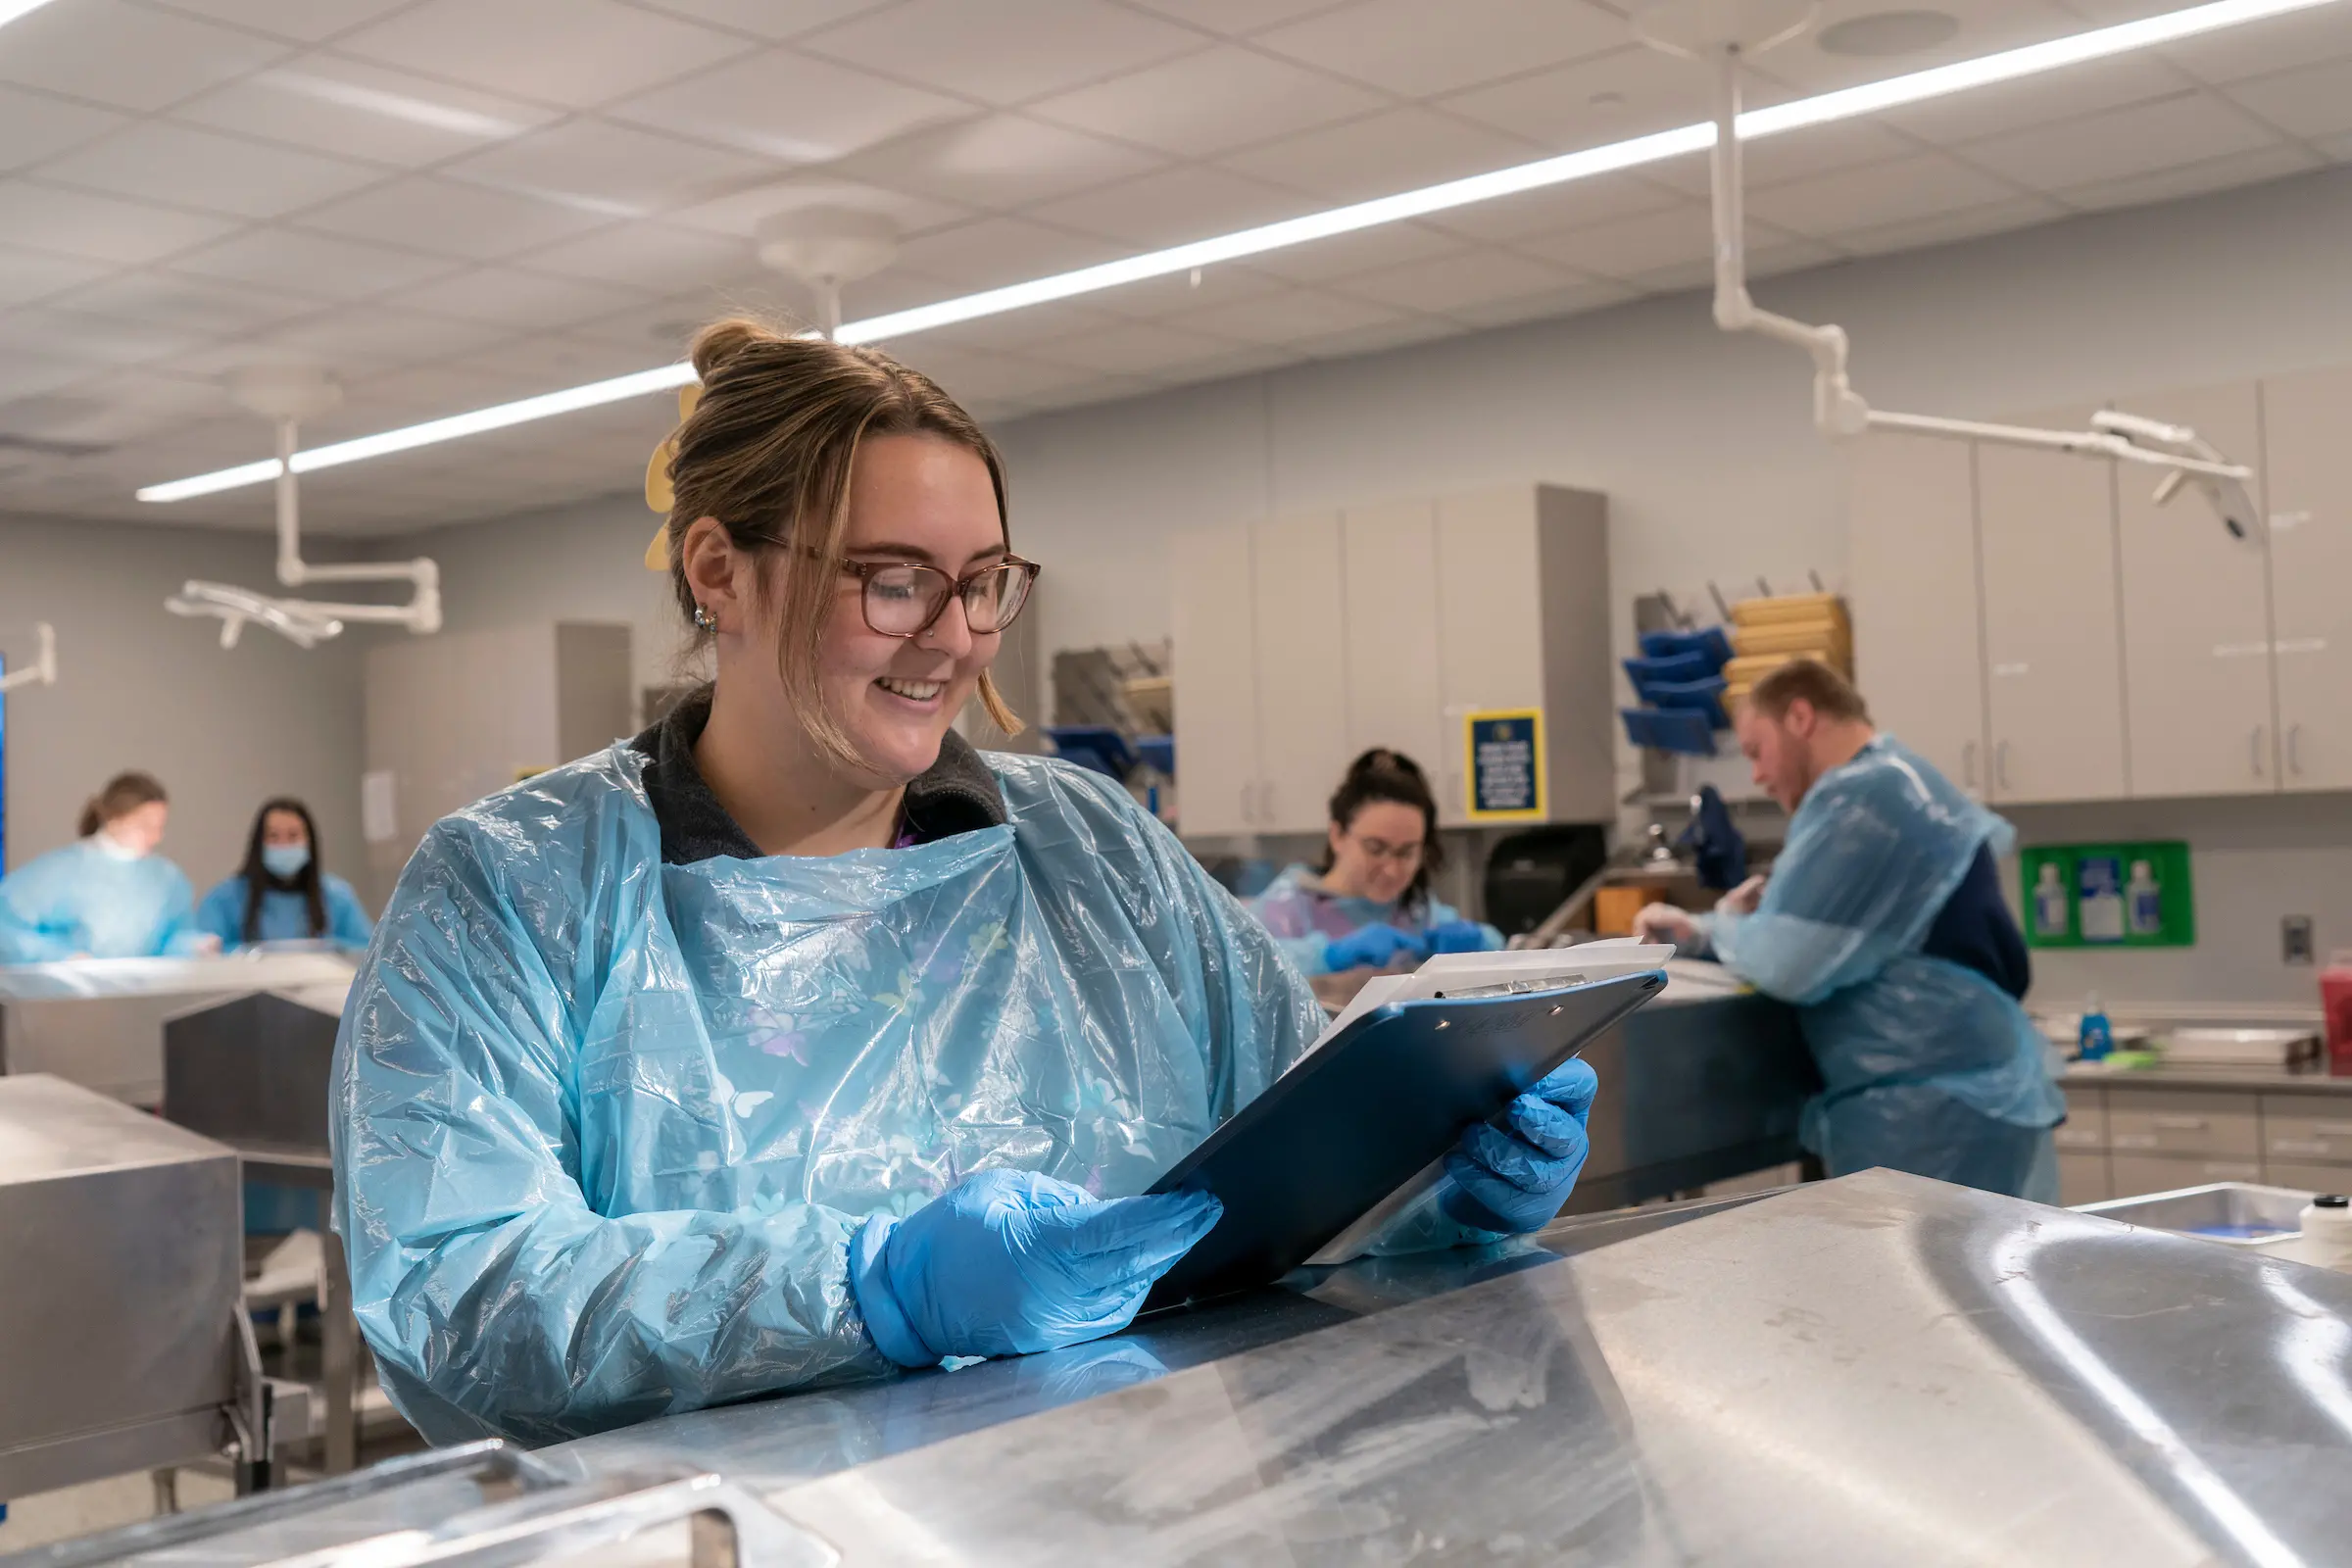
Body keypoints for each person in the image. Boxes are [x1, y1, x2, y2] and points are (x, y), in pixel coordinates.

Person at [333, 318, 1600, 1446]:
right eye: (893, 582)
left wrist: (1439, 1177)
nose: (954, 637)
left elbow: (1287, 1167)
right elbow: (459, 1293)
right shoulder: (515, 889)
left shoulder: (1093, 854)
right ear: (719, 570)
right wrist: (870, 1288)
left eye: (984, 582)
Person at [1632, 660, 2061, 1201]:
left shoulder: (1863, 798)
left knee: (1921, 1277)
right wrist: (1719, 928)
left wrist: (1709, 931)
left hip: (1928, 1120)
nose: (1758, 776)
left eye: (1756, 750)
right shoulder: (1899, 781)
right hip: (1958, 1107)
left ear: (1801, 716)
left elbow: (1786, 963)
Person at [1250, 749, 1505, 975]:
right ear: (1337, 835)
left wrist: (1481, 940)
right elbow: (1247, 970)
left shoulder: (1416, 911)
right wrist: (1327, 956)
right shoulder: (1288, 905)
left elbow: (1500, 948)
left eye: (1406, 852)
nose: (1392, 870)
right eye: (1375, 848)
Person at [0, 772, 213, 963]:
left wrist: (193, 946)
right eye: (145, 827)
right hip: (70, 999)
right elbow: (7, 927)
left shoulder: (166, 878)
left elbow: (173, 937)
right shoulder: (60, 872)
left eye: (160, 828)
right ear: (114, 819)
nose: (156, 837)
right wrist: (62, 957)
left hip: (144, 998)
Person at [197, 799, 374, 953]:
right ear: (258, 843)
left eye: (293, 836)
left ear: (309, 841)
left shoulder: (336, 895)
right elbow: (206, 952)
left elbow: (366, 952)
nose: (283, 844)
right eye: (273, 836)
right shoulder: (225, 898)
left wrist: (331, 949)